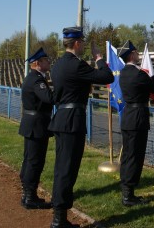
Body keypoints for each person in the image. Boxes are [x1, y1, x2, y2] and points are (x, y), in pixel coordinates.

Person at [48, 27, 114, 228]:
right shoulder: (76, 65)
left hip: (62, 118)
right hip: (71, 121)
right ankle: (59, 220)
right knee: (67, 170)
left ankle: (60, 216)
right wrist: (99, 58)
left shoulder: (58, 64)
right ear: (76, 43)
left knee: (63, 168)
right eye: (83, 42)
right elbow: (107, 77)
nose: (84, 45)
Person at [118, 40, 154, 206]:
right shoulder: (138, 74)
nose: (138, 54)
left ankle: (127, 191)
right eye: (136, 52)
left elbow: (148, 82)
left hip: (128, 117)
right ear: (131, 55)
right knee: (135, 156)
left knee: (129, 155)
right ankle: (128, 196)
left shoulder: (125, 73)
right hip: (137, 119)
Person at [18, 47, 54, 210]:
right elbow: (48, 98)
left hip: (31, 123)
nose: (49, 62)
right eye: (46, 60)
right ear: (38, 63)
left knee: (30, 159)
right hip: (37, 124)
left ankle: (27, 194)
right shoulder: (37, 80)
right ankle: (30, 196)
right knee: (35, 161)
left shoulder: (31, 77)